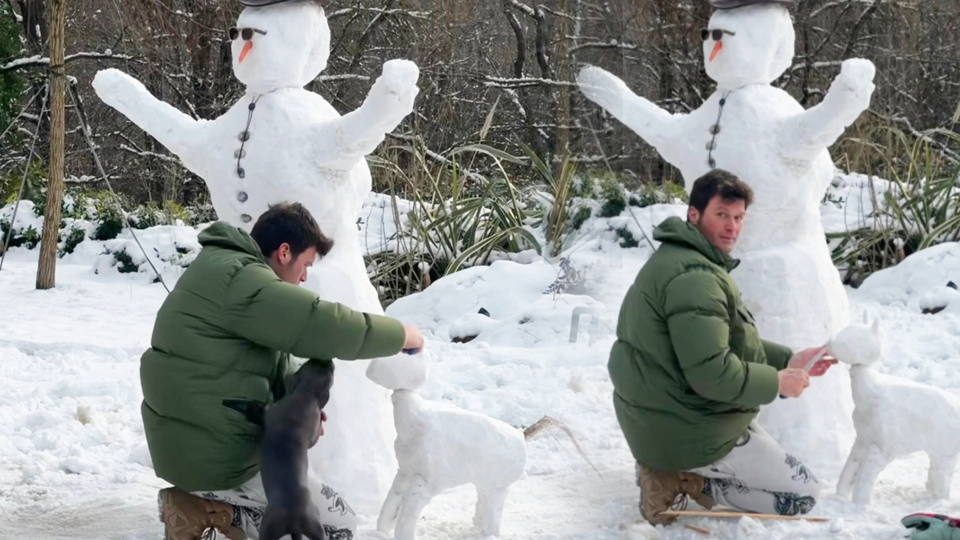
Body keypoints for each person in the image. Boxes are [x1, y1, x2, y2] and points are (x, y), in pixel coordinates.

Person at [141, 202, 424, 540]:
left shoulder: (222, 269)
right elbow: (325, 325)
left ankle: (198, 503)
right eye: (306, 265)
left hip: (185, 447)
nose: (304, 277)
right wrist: (402, 335)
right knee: (339, 524)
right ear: (284, 252)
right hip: (216, 458)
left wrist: (298, 410)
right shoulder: (244, 281)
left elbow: (262, 358)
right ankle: (210, 509)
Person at [608, 169, 837, 524]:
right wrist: (777, 382)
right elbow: (712, 374)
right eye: (722, 215)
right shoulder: (695, 278)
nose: (732, 227)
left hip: (665, 417)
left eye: (739, 217)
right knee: (802, 495)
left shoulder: (683, 260)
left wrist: (789, 359)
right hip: (686, 426)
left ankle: (665, 464)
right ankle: (683, 479)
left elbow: (721, 344)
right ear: (694, 214)